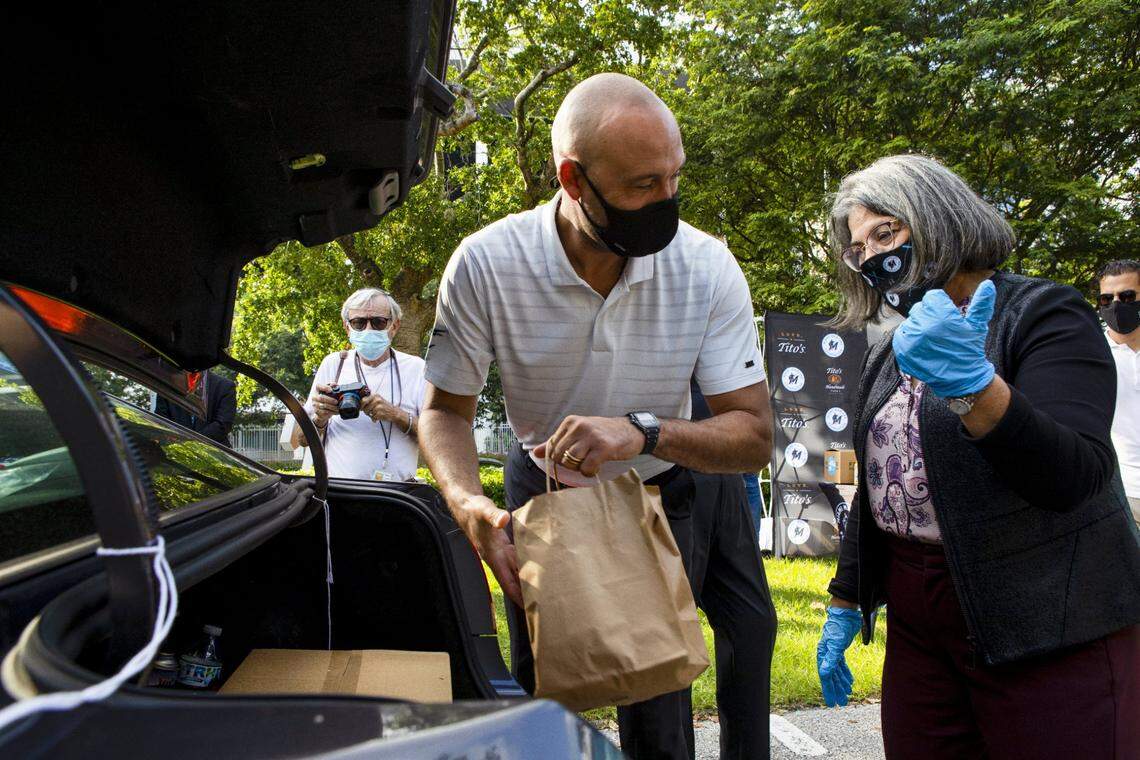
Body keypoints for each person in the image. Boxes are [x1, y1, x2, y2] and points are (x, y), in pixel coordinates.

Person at [420, 73, 777, 760]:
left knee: (658, 710)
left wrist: (641, 431)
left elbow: (754, 436)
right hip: (541, 500)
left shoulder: (705, 266)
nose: (666, 202)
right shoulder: (487, 264)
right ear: (573, 180)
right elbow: (444, 412)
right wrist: (468, 506)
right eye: (644, 186)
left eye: (675, 179)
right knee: (541, 698)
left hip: (657, 493)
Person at [814, 154, 1140, 759]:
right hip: (921, 622)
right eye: (858, 249)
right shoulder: (889, 350)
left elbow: (1073, 475)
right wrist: (845, 597)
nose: (872, 258)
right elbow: (885, 486)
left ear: (937, 217)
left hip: (1045, 614)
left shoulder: (1045, 313)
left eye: (886, 232)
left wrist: (975, 390)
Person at [287, 288, 426, 481]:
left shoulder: (416, 368)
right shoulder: (334, 364)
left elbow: (438, 438)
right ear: (347, 328)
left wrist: (396, 415)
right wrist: (320, 418)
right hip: (343, 493)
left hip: (398, 497)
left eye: (378, 322)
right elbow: (300, 440)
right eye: (359, 323)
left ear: (394, 326)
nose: (368, 330)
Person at [1099, 259, 1140, 526]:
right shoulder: (1089, 352)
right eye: (1106, 299)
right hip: (1124, 493)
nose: (1115, 305)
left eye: (1127, 296)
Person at [155, 369, 236, 446]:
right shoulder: (168, 384)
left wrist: (190, 442)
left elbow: (223, 424)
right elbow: (160, 419)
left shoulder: (225, 386)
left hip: (214, 453)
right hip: (175, 451)